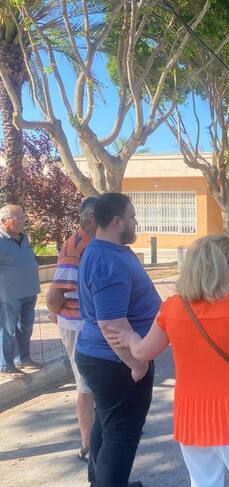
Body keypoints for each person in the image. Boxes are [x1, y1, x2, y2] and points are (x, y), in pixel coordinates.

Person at [105, 234, 229, 487]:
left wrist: (130, 337)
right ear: (220, 266)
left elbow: (142, 352)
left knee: (204, 482)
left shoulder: (173, 307)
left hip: (192, 417)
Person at [75, 193, 161, 487]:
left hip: (105, 359)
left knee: (107, 425)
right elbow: (111, 324)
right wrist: (137, 363)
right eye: (132, 216)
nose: (136, 222)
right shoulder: (107, 260)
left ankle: (101, 482)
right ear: (116, 222)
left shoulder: (107, 250)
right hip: (116, 363)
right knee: (122, 436)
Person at [45, 197, 98, 462]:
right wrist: (56, 312)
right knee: (86, 384)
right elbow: (54, 296)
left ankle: (100, 437)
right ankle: (88, 445)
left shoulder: (94, 243)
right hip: (78, 325)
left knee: (95, 382)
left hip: (89, 323)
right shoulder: (75, 246)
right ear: (91, 218)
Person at [0, 204, 41, 379]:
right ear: (3, 221)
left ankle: (23, 358)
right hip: (8, 295)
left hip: (30, 291)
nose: (22, 221)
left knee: (26, 328)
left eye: (23, 217)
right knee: (7, 330)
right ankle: (5, 365)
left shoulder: (24, 238)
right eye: (18, 218)